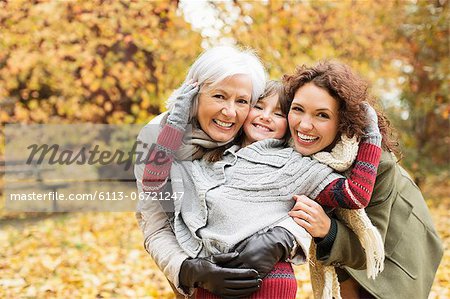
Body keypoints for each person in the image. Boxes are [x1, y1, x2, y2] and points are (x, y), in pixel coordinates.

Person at [140, 65, 383, 299]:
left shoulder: (298, 166)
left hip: (270, 282)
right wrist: (178, 118)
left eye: (278, 113)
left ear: (288, 124)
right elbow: (153, 181)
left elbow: (356, 194)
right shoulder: (208, 164)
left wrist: (371, 135)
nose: (266, 117)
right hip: (213, 280)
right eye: (258, 107)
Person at [284, 61, 444, 299]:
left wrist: (327, 229)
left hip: (395, 249)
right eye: (298, 109)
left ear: (343, 122)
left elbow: (367, 246)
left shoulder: (376, 164)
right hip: (351, 247)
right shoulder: (289, 150)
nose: (304, 125)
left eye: (322, 115)